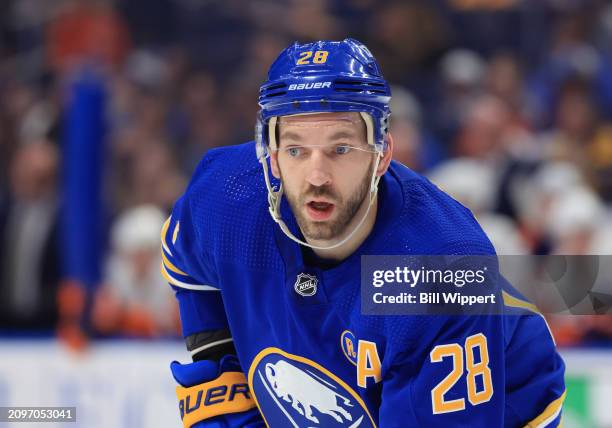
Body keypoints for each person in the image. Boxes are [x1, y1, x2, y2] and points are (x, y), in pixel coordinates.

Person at [162, 39, 565, 427]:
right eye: (296, 150)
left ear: (382, 154)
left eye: (340, 149)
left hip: (506, 408)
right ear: (271, 157)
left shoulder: (438, 269)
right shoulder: (225, 196)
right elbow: (188, 267)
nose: (316, 176)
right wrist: (218, 369)